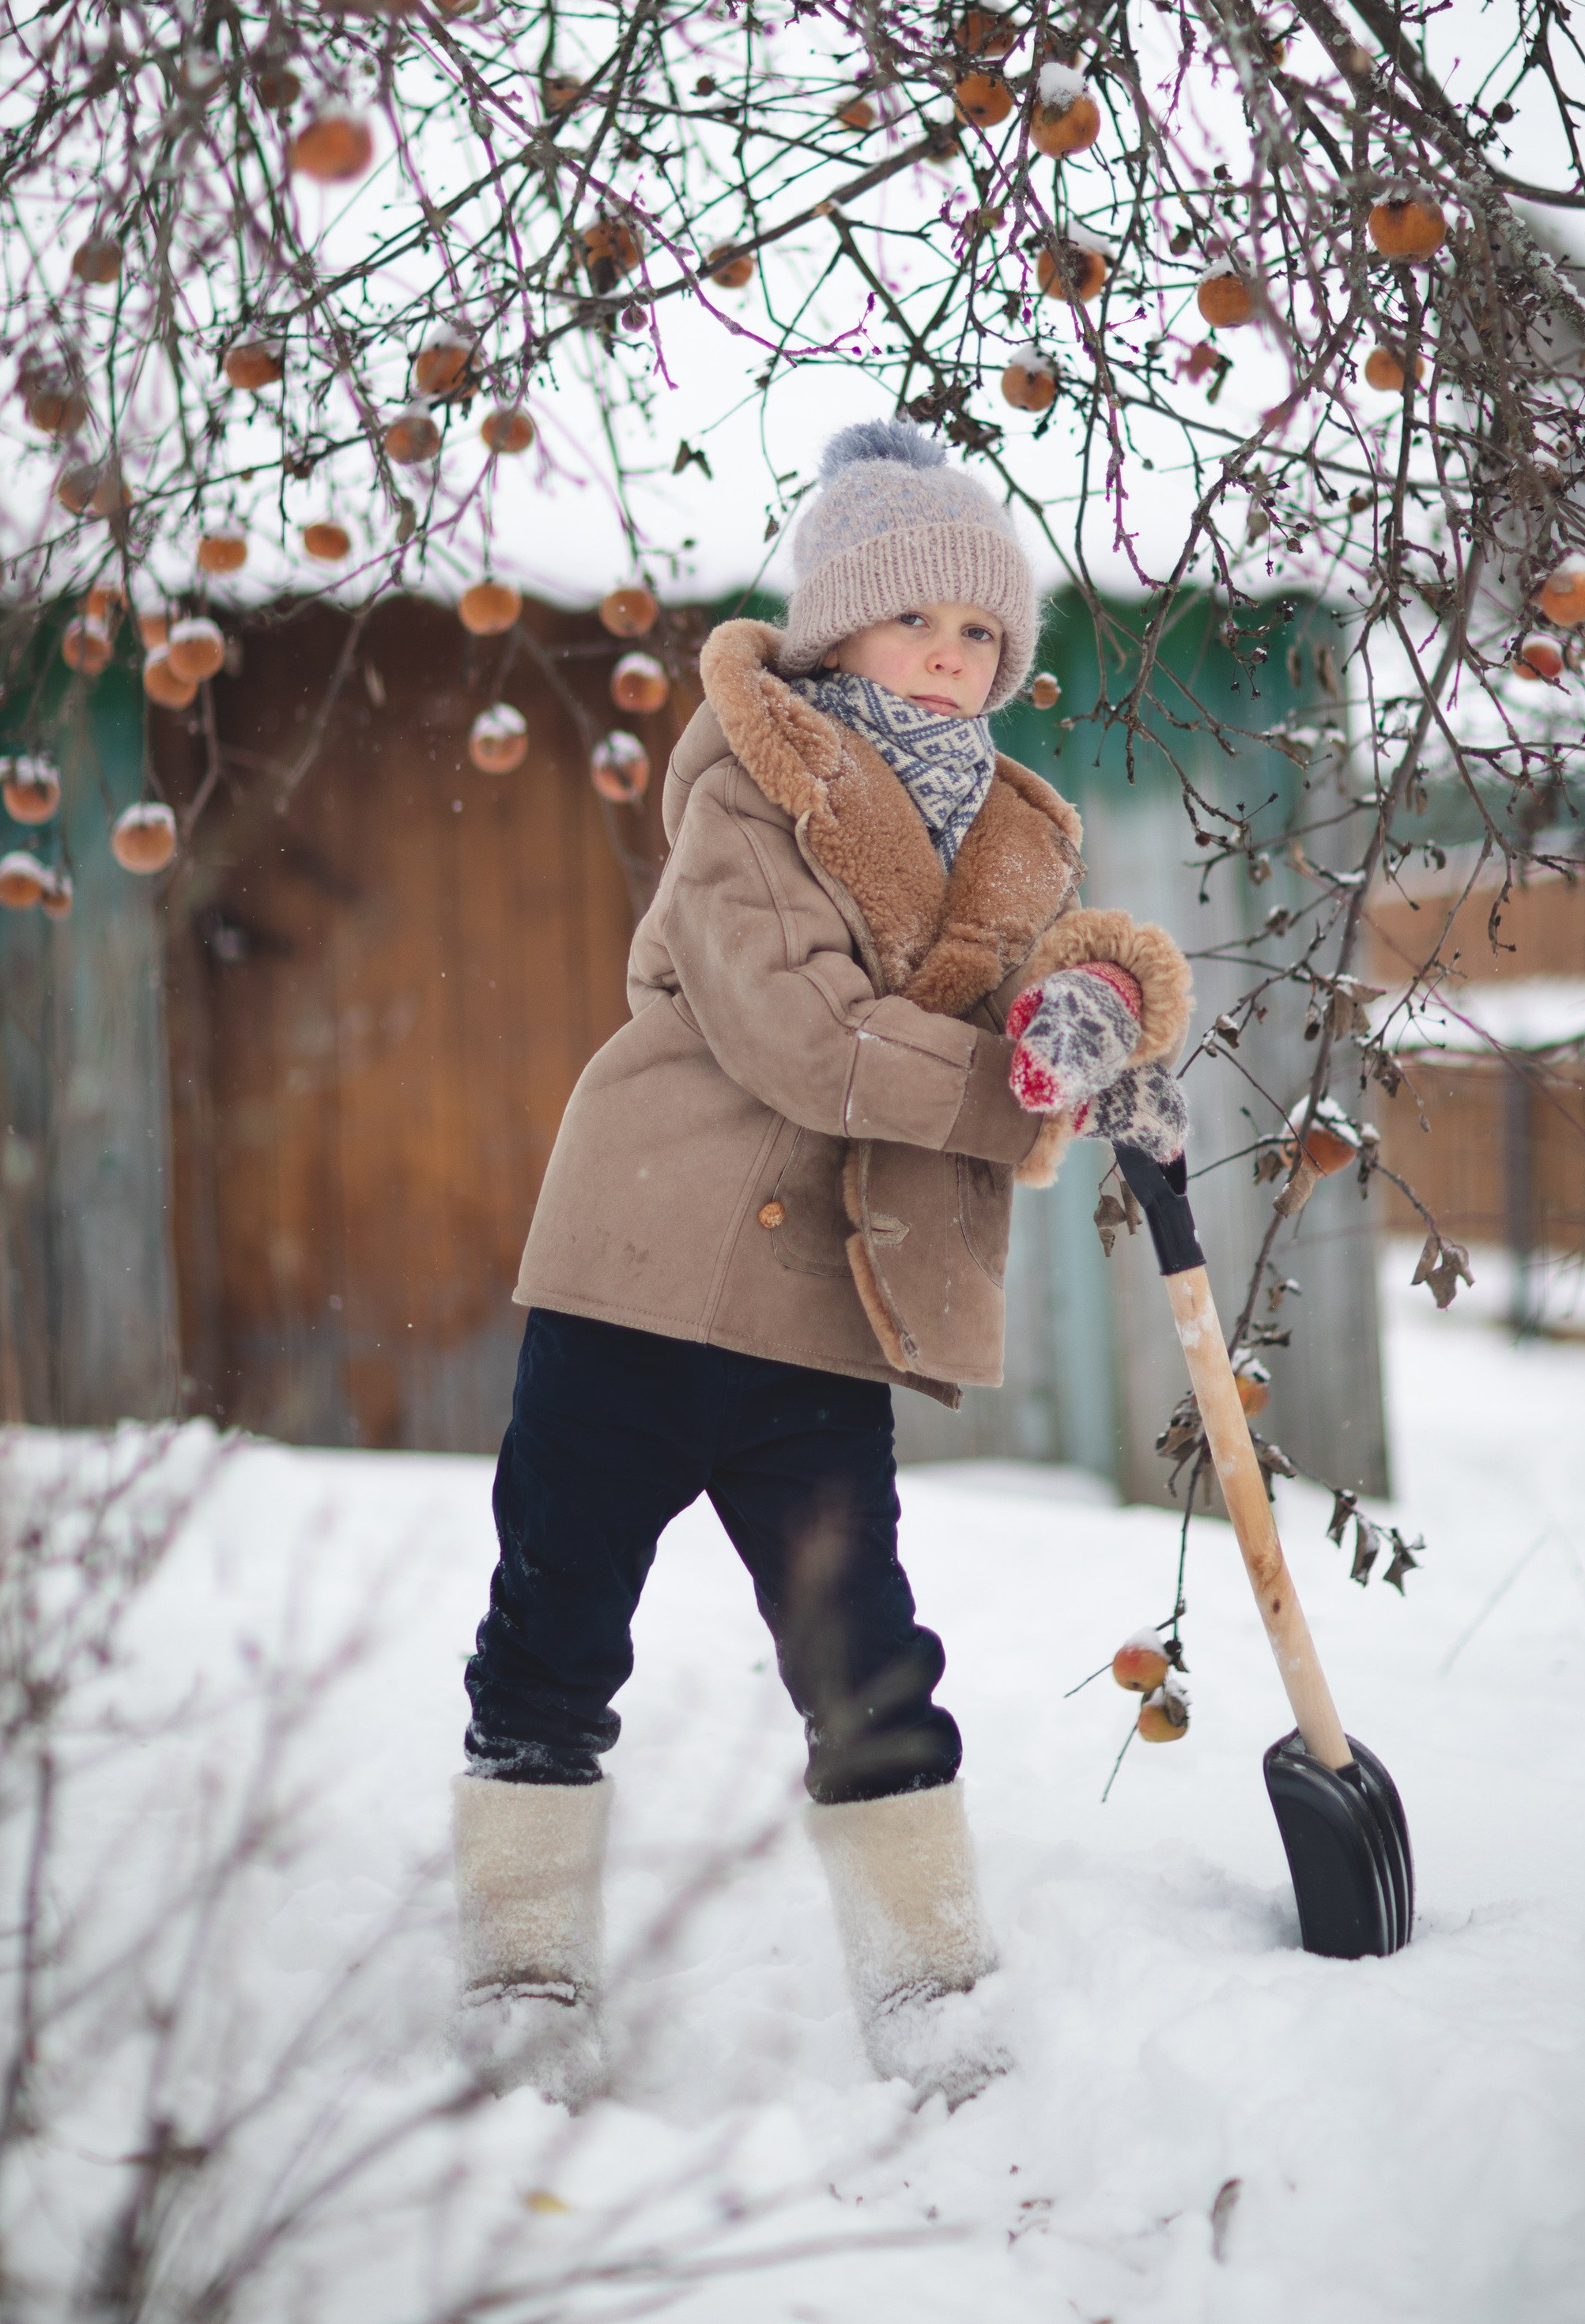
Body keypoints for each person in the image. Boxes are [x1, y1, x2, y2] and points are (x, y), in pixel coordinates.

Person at [452, 420, 1191, 2108]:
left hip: (819, 1321)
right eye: (915, 622)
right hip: (637, 1280)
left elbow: (1047, 997)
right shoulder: (742, 783)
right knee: (555, 1629)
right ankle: (517, 1972)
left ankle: (929, 1985)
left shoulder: (1011, 841)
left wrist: (1088, 1016)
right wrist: (1017, 1097)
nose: (949, 657)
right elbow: (801, 1040)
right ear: (832, 629)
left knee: (864, 1652)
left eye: (979, 635)